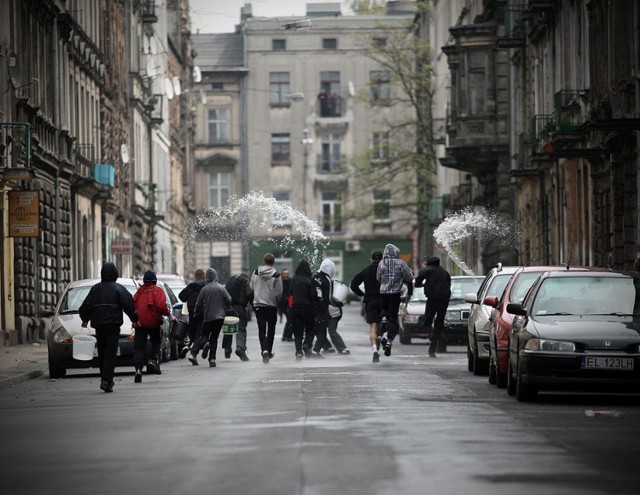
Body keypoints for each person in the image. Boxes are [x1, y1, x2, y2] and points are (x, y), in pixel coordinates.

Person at [79, 262, 139, 393]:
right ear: (115, 274)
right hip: (113, 325)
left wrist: (85, 319)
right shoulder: (118, 288)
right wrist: (134, 319)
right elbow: (129, 304)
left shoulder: (95, 289)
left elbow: (86, 306)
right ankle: (107, 380)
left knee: (102, 352)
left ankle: (104, 378)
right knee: (110, 353)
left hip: (99, 325)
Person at [132, 270, 176, 383]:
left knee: (139, 347)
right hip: (153, 322)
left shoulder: (139, 291)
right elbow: (161, 306)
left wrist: (135, 320)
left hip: (140, 323)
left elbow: (132, 305)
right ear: (155, 280)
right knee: (156, 341)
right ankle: (152, 360)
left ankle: (138, 369)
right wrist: (169, 315)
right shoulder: (157, 290)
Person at [188, 268, 232, 367]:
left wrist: (196, 312)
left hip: (208, 316)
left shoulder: (205, 289)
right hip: (220, 317)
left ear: (206, 277)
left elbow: (198, 303)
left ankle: (205, 343)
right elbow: (229, 300)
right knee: (214, 338)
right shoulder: (221, 288)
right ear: (215, 276)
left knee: (204, 334)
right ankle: (212, 359)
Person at [376, 243, 414, 357]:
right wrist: (409, 293)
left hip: (383, 293)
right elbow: (409, 278)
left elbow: (378, 278)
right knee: (392, 318)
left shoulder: (381, 263)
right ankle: (389, 340)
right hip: (395, 294)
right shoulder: (401, 263)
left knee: (384, 311)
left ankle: (383, 318)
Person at [414, 255, 451, 357]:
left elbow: (417, 282)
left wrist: (424, 285)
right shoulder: (444, 271)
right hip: (444, 298)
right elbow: (449, 283)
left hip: (432, 298)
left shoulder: (426, 270)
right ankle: (433, 347)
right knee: (439, 321)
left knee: (428, 318)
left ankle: (426, 328)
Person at [350, 250, 384, 362]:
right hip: (384, 300)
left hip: (370, 301)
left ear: (371, 259)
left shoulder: (366, 270)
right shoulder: (386, 270)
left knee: (373, 327)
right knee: (386, 321)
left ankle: (375, 351)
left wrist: (362, 294)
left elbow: (354, 284)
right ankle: (383, 336)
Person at [250, 253, 283, 363]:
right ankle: (268, 351)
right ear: (273, 262)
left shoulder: (255, 273)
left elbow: (251, 287)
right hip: (271, 305)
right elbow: (279, 293)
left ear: (264, 261)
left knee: (262, 329)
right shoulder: (277, 275)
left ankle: (264, 350)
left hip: (258, 305)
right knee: (271, 329)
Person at [311, 259, 344, 357]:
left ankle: (312, 348)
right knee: (322, 332)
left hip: (313, 308)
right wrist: (338, 304)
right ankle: (315, 351)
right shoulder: (327, 279)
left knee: (316, 329)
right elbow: (329, 298)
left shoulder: (314, 277)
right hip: (322, 309)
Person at [289, 259, 319, 360]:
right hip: (308, 308)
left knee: (298, 331)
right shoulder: (310, 280)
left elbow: (290, 294)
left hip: (296, 307)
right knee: (310, 329)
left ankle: (298, 352)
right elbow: (313, 295)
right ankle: (307, 344)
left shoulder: (293, 279)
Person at [178, 269, 206, 359]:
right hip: (202, 312)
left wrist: (188, 299)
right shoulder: (206, 286)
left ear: (195, 276)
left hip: (191, 311)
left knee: (191, 331)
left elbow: (181, 296)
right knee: (199, 332)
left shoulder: (191, 286)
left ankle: (186, 346)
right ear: (204, 276)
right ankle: (193, 353)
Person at [225, 271, 253, 361]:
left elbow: (224, 292)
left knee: (229, 327)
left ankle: (227, 348)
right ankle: (240, 348)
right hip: (239, 307)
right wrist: (253, 305)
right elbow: (249, 294)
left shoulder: (230, 280)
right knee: (240, 328)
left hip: (228, 307)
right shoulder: (244, 281)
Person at [278, 268, 294, 341]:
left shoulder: (291, 281)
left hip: (289, 304)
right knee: (290, 319)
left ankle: (286, 336)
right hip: (283, 304)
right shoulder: (279, 282)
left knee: (290, 320)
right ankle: (287, 336)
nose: (286, 275)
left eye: (287, 273)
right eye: (284, 274)